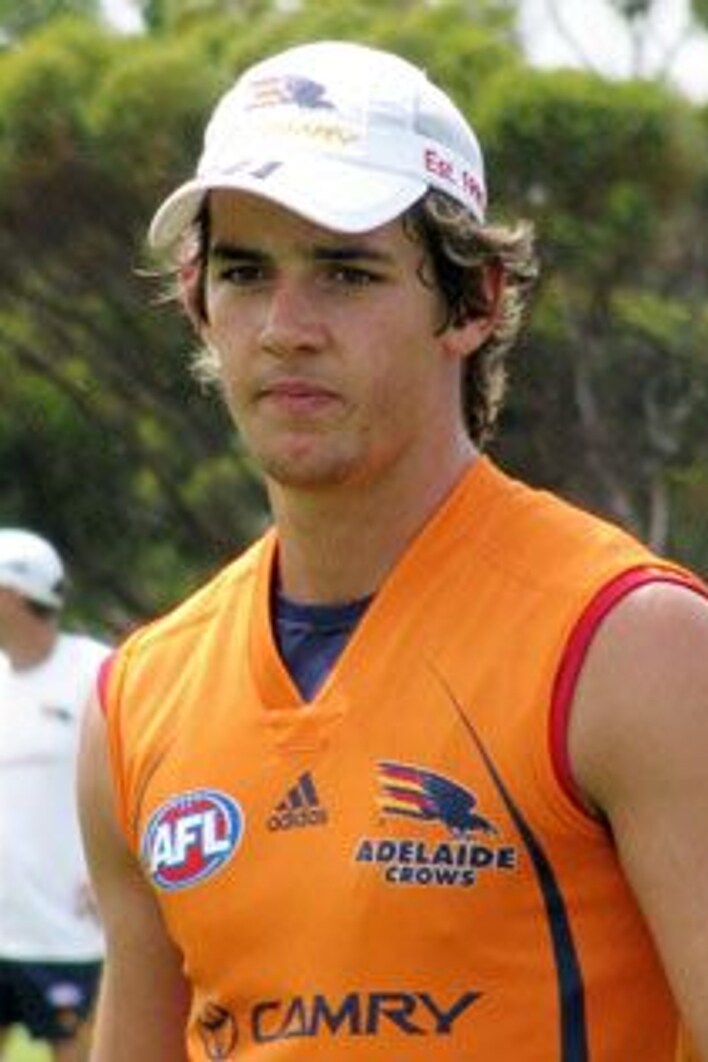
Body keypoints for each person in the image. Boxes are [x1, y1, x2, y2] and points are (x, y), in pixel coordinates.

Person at [78, 40, 708, 1061]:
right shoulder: (135, 700)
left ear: (474, 301)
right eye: (244, 273)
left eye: (346, 271)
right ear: (198, 301)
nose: (285, 327)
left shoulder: (634, 646)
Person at [0, 530, 109, 1062]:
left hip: (71, 932)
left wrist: (120, 870)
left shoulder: (96, 672)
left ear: (13, 595)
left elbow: (146, 775)